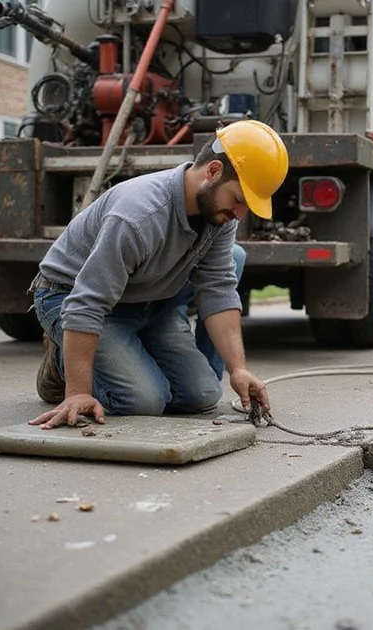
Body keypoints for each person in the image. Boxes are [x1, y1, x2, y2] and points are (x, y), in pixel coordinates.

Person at [27, 120, 289, 430]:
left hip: (146, 299)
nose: (240, 214)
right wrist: (78, 392)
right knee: (143, 402)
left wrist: (238, 369)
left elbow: (218, 289)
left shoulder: (219, 217)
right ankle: (61, 364)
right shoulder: (138, 216)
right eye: (238, 199)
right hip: (69, 297)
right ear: (213, 171)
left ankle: (125, 359)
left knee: (201, 395)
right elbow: (87, 301)